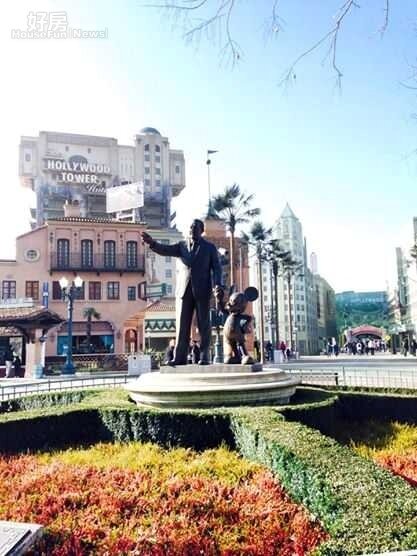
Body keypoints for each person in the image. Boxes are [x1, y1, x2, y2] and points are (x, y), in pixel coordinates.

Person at [142, 219, 223, 365]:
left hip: (202, 290)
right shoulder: (181, 246)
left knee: (204, 324)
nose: (192, 230)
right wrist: (152, 243)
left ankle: (204, 356)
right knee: (182, 325)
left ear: (201, 230)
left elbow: (217, 268)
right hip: (184, 291)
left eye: (195, 228)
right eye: (190, 227)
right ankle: (179, 357)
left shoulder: (209, 248)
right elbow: (165, 249)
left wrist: (217, 285)